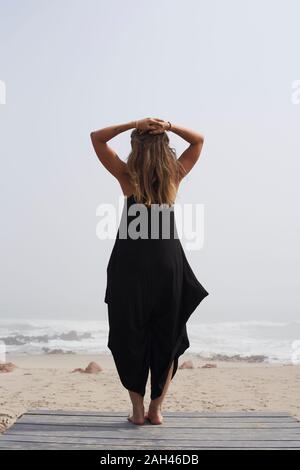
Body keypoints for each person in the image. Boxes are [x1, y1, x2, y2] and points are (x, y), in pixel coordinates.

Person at [90, 118, 209, 425]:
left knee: (128, 332)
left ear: (135, 148)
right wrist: (167, 126)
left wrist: (135, 123)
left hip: (131, 262)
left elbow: (97, 138)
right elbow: (198, 141)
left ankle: (137, 412)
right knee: (167, 333)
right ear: (165, 148)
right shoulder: (174, 176)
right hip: (167, 261)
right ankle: (156, 410)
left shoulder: (127, 176)